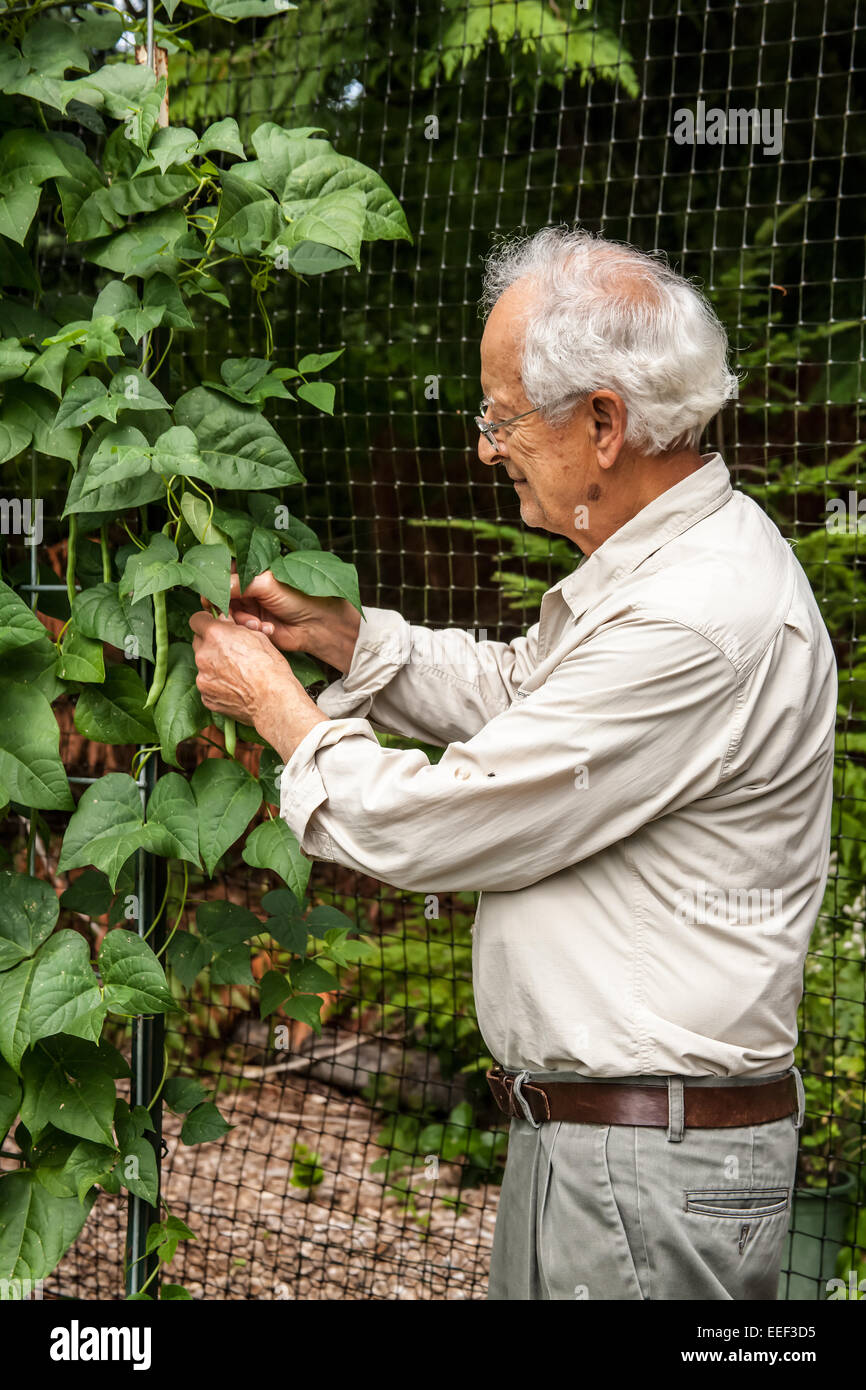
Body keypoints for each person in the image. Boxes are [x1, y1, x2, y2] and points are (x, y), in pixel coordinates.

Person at [190, 228, 837, 1300]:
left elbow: (449, 819)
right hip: (608, 1150)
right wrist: (349, 640)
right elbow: (518, 698)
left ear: (601, 422)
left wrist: (278, 711)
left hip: (645, 1170)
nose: (487, 449)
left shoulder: (693, 613)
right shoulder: (666, 566)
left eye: (500, 418)